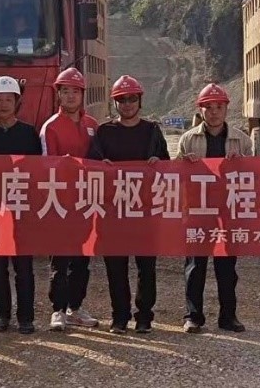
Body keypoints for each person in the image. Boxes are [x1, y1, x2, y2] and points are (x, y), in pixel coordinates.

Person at [88, 75, 168, 334]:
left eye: (132, 99)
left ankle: (144, 316)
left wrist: (158, 162)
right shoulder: (104, 132)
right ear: (115, 103)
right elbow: (90, 167)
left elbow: (168, 167)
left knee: (147, 267)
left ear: (140, 101)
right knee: (116, 267)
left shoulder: (152, 131)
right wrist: (101, 166)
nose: (127, 104)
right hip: (113, 213)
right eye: (122, 100)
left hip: (145, 212)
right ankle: (119, 317)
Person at [176, 83, 251, 334]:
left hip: (228, 210)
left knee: (227, 267)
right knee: (195, 266)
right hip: (198, 211)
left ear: (226, 108)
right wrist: (184, 163)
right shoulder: (189, 139)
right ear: (201, 110)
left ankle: (228, 316)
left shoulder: (241, 140)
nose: (214, 112)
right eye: (208, 107)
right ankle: (193, 316)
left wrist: (242, 164)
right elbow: (175, 175)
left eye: (219, 106)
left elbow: (255, 175)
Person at [40, 67, 102, 331]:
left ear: (82, 94)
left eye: (75, 91)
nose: (70, 96)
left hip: (86, 202)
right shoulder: (50, 127)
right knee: (60, 259)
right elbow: (45, 165)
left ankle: (75, 308)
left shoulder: (92, 126)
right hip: (60, 202)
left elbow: (101, 159)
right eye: (65, 91)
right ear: (59, 95)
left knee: (82, 260)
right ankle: (58, 310)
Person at [0, 75, 42, 335]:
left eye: (8, 100)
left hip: (22, 207)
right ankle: (1, 315)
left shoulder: (28, 133)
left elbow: (39, 171)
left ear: (17, 102)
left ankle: (26, 317)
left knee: (23, 265)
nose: (3, 104)